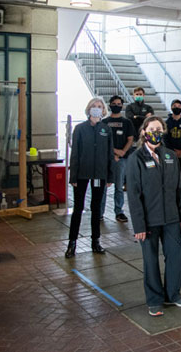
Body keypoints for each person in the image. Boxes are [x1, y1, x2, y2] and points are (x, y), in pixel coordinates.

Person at [126, 116, 181, 317]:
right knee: (151, 260)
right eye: (151, 129)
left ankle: (173, 294)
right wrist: (139, 226)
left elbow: (178, 189)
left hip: (171, 217)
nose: (155, 132)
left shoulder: (171, 156)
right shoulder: (135, 159)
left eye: (159, 129)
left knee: (175, 256)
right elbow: (133, 195)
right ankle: (154, 300)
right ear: (144, 132)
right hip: (148, 221)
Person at [66, 97, 114, 258]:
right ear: (89, 109)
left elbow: (109, 153)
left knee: (96, 209)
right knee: (78, 208)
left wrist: (110, 176)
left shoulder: (106, 129)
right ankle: (72, 243)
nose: (97, 108)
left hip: (99, 174)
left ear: (103, 110)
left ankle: (96, 241)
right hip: (81, 174)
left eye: (100, 106)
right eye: (94, 106)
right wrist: (73, 175)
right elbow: (75, 153)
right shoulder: (80, 128)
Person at [102, 95, 134, 223]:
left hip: (122, 160)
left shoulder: (127, 123)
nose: (117, 105)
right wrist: (115, 152)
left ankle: (119, 211)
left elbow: (130, 139)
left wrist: (123, 152)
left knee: (119, 187)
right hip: (106, 160)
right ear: (110, 105)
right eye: (114, 103)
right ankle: (99, 212)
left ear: (122, 106)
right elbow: (102, 141)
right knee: (103, 187)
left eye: (119, 103)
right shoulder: (104, 122)